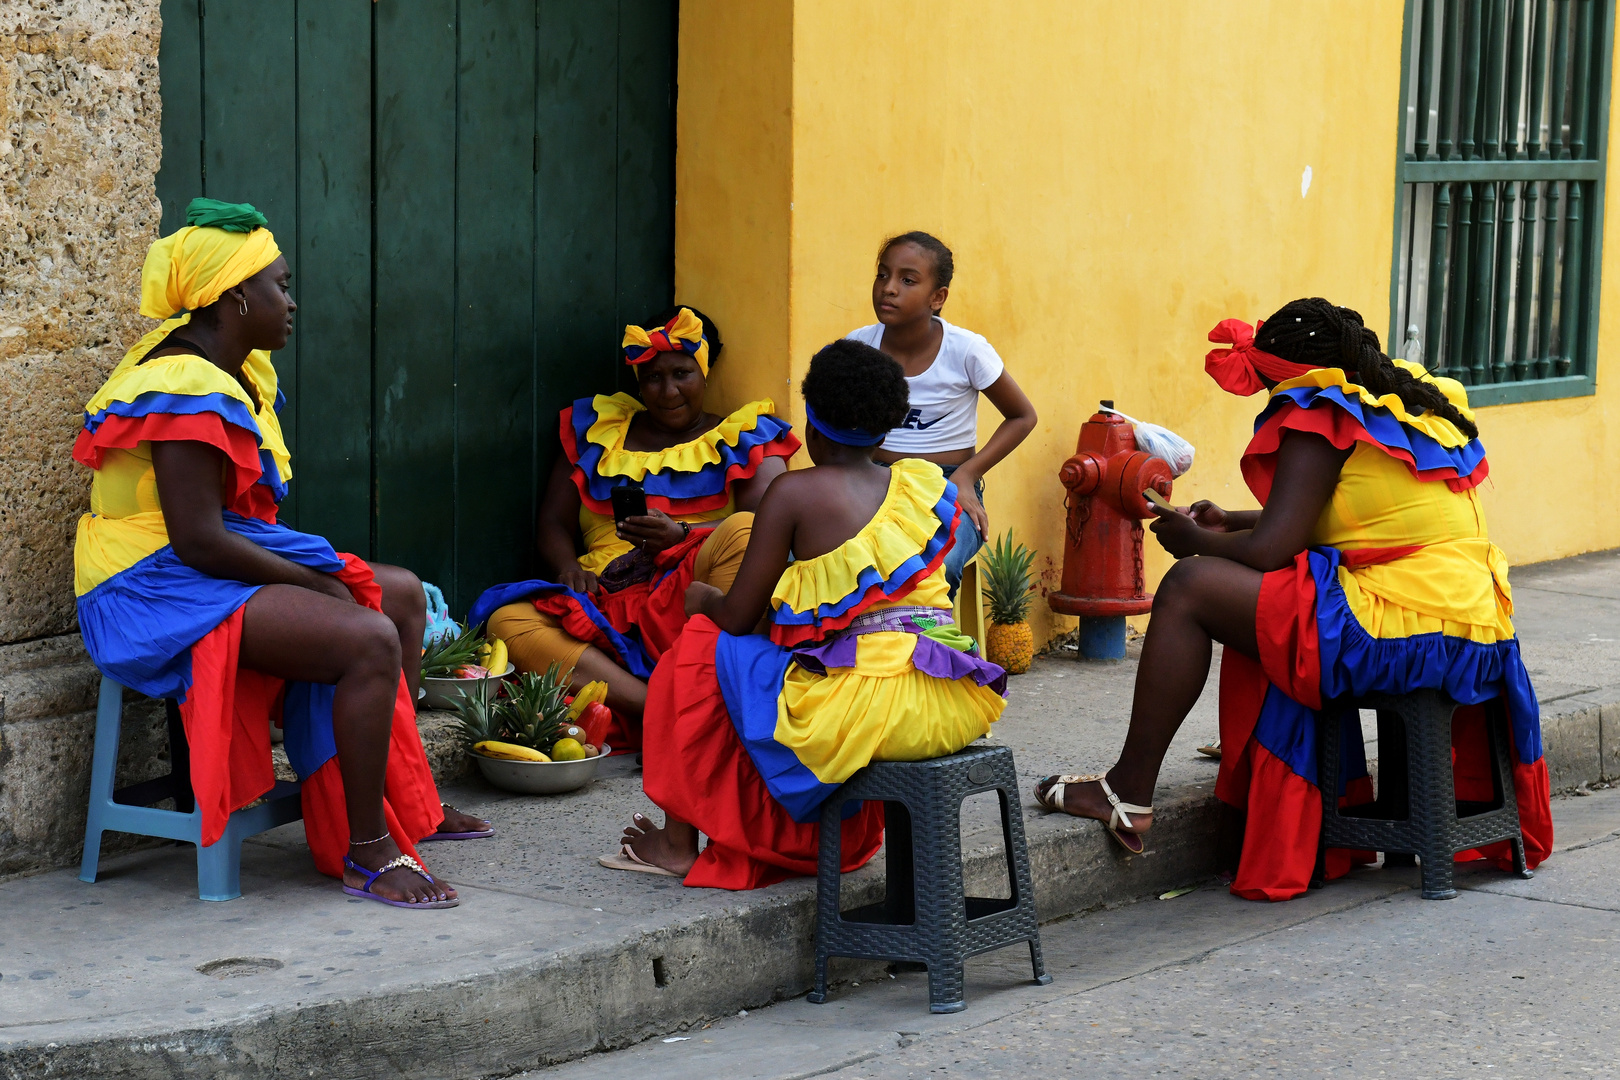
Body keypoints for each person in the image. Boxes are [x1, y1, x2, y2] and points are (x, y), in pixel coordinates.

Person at [1034, 298, 1555, 901]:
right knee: (1264, 590)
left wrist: (1193, 540)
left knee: (1188, 587)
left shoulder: (1317, 410)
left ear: (1287, 377)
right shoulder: (1407, 400)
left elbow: (1274, 550)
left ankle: (1126, 790)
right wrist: (1230, 520)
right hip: (1475, 628)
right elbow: (1347, 519)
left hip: (1402, 632)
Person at [73, 198, 488, 910]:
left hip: (193, 560)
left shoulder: (235, 366)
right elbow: (200, 540)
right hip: (147, 584)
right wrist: (311, 584)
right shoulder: (183, 384)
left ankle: (403, 798)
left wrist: (314, 581)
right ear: (236, 297)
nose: (291, 302)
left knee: (403, 598)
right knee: (364, 635)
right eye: (281, 285)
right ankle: (365, 850)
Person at [602, 339, 1009, 888]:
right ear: (885, 432)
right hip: (948, 698)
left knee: (698, 649)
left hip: (867, 711)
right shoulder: (918, 485)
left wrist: (702, 599)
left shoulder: (792, 493)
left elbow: (739, 616)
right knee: (769, 666)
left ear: (812, 429)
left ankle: (680, 844)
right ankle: (809, 835)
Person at [467, 308, 798, 751]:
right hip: (605, 597)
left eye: (682, 373)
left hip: (691, 595)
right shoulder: (597, 431)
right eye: (652, 377)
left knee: (742, 532)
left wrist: (682, 536)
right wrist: (567, 566)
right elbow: (552, 522)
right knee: (507, 621)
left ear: (705, 371)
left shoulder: (745, 434)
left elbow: (769, 526)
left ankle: (691, 700)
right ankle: (662, 709)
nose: (667, 391)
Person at [845, 232, 1037, 597]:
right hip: (872, 482)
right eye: (882, 275)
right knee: (816, 555)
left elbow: (1022, 416)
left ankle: (930, 650)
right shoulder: (859, 348)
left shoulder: (966, 351)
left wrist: (968, 476)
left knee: (936, 569)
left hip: (946, 486)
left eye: (907, 280)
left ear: (938, 297)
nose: (889, 288)